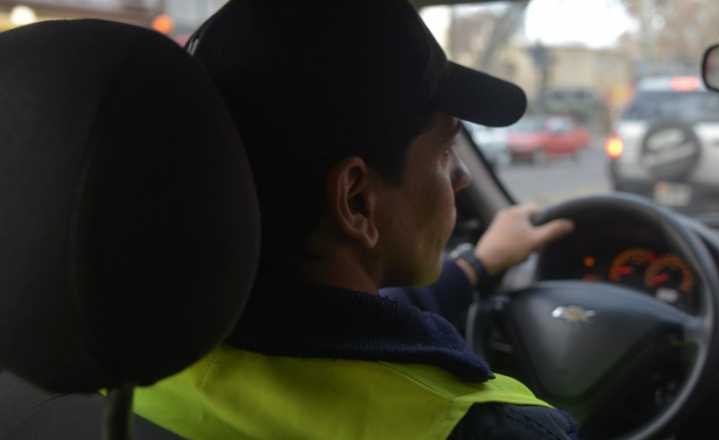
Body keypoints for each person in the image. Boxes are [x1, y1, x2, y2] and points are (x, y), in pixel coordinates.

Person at [132, 1, 578, 439]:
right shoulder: (480, 426)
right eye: (444, 152)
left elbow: (338, 319)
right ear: (358, 200)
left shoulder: (119, 365)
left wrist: (475, 267)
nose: (460, 176)